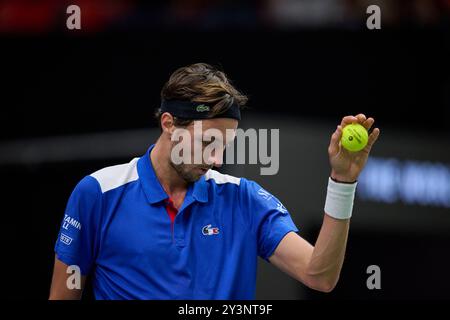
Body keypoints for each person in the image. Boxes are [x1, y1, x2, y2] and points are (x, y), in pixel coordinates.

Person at [49, 63, 380, 299]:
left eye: (223, 147)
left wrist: (342, 181)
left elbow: (319, 276)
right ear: (169, 123)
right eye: (208, 143)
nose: (217, 160)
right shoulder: (98, 193)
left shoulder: (244, 199)